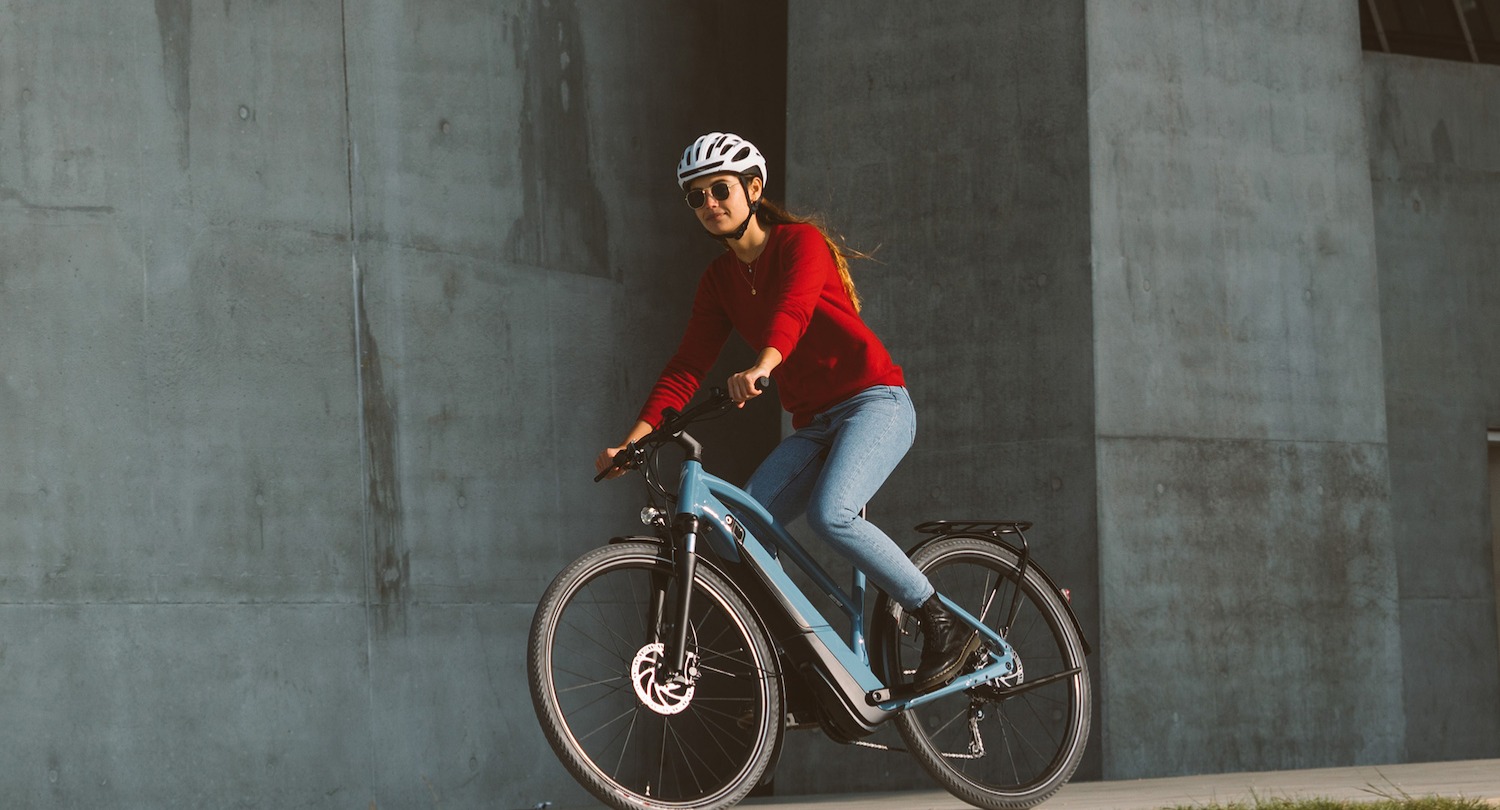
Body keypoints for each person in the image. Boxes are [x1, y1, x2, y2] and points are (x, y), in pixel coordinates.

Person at [594, 132, 978, 693]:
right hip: (817, 425)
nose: (709, 204)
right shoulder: (719, 280)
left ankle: (939, 619)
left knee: (832, 514)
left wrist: (763, 365)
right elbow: (687, 366)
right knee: (739, 532)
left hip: (876, 403)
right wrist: (633, 442)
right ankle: (799, 661)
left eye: (720, 190)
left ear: (753, 189)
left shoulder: (801, 243)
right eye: (696, 198)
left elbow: (793, 311)